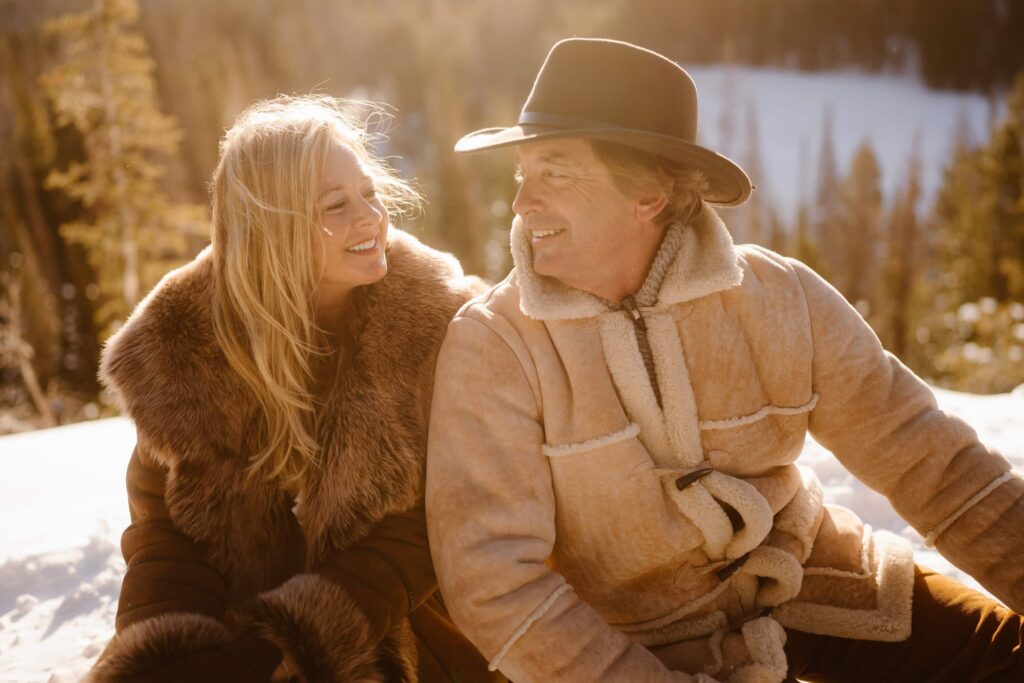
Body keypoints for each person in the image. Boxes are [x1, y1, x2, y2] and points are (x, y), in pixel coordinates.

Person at [425, 38, 1024, 682]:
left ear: (648, 193)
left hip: (818, 586)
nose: (521, 204)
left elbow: (934, 463)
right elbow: (494, 581)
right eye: (523, 175)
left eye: (555, 173)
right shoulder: (496, 343)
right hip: (636, 647)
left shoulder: (782, 296)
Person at [86, 95, 500, 682]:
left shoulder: (439, 329)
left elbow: (432, 526)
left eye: (370, 193)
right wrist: (177, 654)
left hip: (406, 615)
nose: (370, 218)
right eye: (337, 204)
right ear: (270, 229)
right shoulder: (185, 350)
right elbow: (166, 535)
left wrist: (296, 639)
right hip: (247, 627)